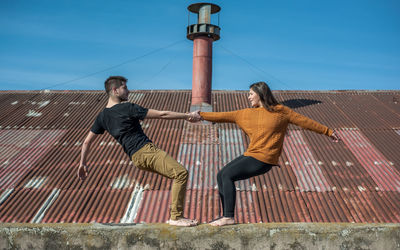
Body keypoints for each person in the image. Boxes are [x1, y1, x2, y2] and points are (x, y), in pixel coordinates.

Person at [199, 81, 340, 226]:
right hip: (252, 155)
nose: (248, 97)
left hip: (263, 159)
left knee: (227, 175)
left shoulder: (281, 111)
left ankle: (228, 217)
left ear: (260, 94)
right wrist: (200, 115)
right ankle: (225, 215)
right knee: (221, 175)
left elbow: (305, 122)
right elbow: (220, 116)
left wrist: (328, 131)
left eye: (251, 94)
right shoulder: (245, 114)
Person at [77, 76, 201, 226]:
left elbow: (86, 142)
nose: (128, 90)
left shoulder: (102, 116)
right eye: (124, 87)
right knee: (181, 173)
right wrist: (188, 116)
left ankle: (176, 216)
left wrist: (82, 163)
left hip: (136, 159)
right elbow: (162, 114)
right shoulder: (127, 107)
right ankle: (176, 217)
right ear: (115, 90)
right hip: (146, 151)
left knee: (176, 175)